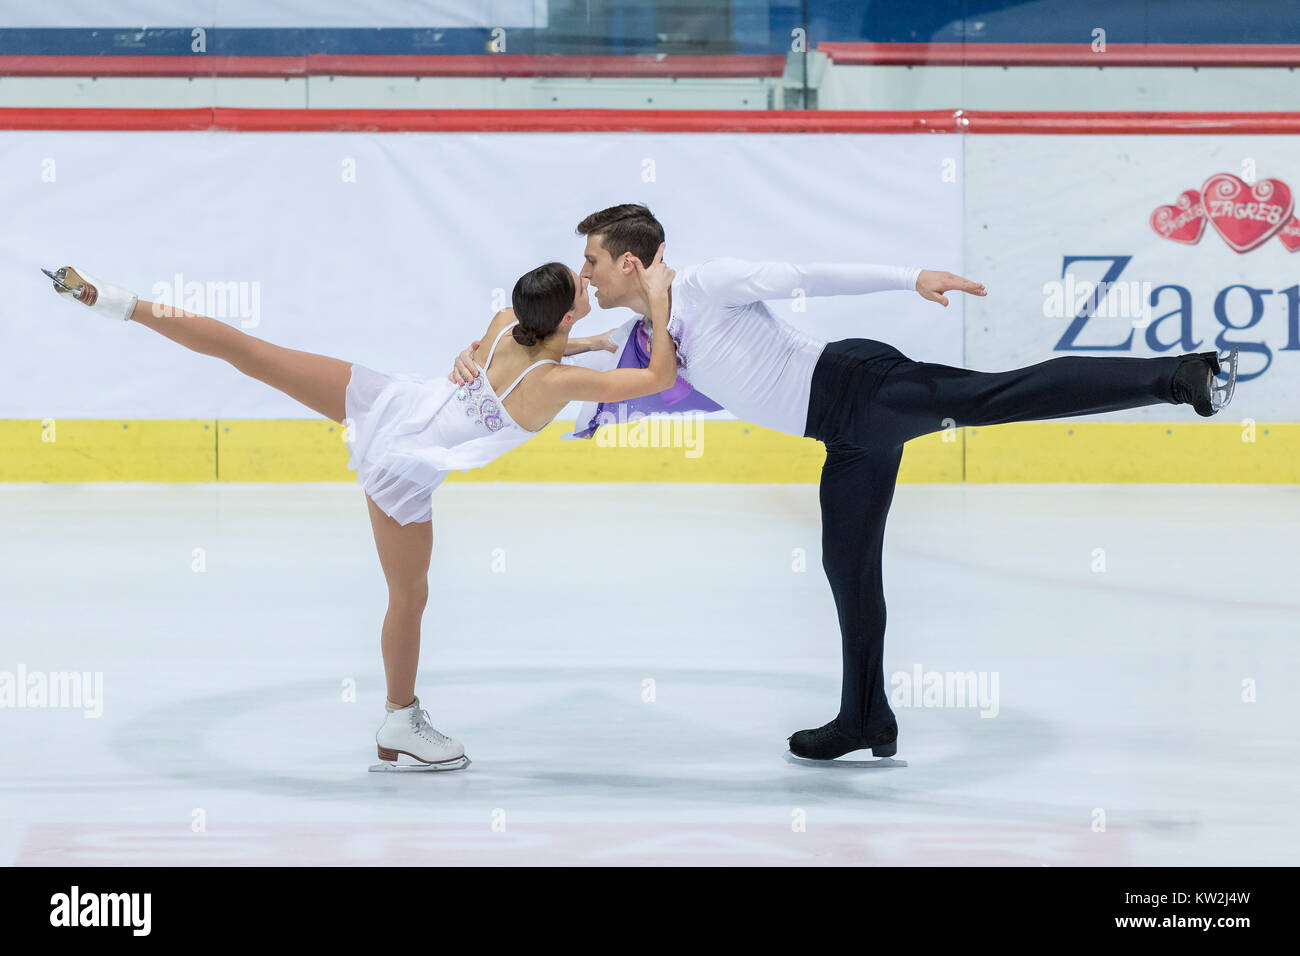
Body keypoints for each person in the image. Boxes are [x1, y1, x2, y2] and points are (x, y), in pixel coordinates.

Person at [450, 204, 1240, 762]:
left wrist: (910, 275)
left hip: (860, 387)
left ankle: (1179, 377)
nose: (584, 271)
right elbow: (548, 348)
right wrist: (480, 356)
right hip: (844, 434)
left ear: (628, 261)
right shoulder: (642, 329)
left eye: (590, 259)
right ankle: (867, 718)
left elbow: (805, 275)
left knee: (997, 396)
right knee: (847, 569)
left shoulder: (705, 285)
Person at [42, 251, 679, 772]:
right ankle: (400, 717)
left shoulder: (502, 324)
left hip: (387, 402)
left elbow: (525, 348)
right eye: (581, 280)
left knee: (252, 352)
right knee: (409, 597)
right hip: (406, 466)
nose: (587, 274)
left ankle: (120, 301)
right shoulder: (557, 382)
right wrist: (659, 298)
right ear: (566, 312)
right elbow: (654, 379)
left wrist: (571, 341)